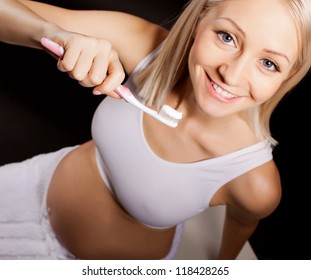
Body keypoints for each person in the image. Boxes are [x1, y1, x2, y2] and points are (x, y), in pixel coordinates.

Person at [0, 0, 310, 260]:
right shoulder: (145, 48)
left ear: (288, 77)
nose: (231, 74)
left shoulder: (255, 182)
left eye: (269, 63)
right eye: (227, 37)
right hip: (29, 187)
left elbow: (238, 233)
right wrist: (51, 34)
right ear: (201, 19)